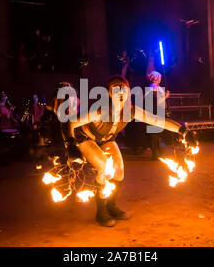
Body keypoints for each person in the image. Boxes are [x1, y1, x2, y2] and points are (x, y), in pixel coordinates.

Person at [60, 76, 194, 227]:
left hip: (106, 139)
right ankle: (101, 211)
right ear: (110, 94)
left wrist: (182, 131)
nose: (120, 92)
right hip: (85, 137)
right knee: (104, 167)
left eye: (124, 89)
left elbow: (158, 121)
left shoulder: (131, 111)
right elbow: (69, 122)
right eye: (116, 89)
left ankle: (111, 205)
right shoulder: (100, 110)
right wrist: (70, 144)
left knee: (119, 171)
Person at [146, 70, 170, 160]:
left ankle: (157, 152)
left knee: (156, 133)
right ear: (156, 78)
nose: (160, 79)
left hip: (157, 112)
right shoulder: (153, 88)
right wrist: (166, 96)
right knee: (155, 134)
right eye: (159, 77)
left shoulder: (155, 87)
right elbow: (157, 101)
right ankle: (156, 153)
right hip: (156, 112)